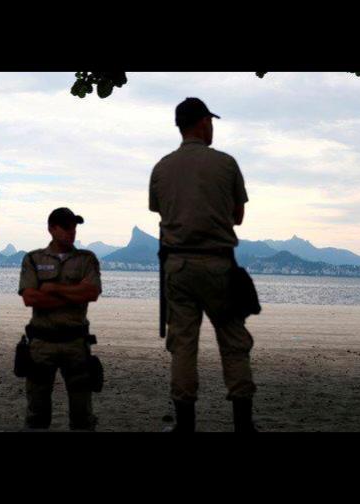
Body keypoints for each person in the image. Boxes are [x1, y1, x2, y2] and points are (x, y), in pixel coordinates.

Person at [148, 97, 257, 432]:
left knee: (182, 346)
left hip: (178, 267)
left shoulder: (162, 167)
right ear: (203, 123)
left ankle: (185, 425)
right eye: (211, 121)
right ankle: (242, 424)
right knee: (234, 343)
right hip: (219, 265)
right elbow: (237, 216)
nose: (212, 127)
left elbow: (161, 213)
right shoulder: (225, 163)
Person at [18, 208, 102, 431]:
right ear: (51, 229)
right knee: (37, 412)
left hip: (76, 343)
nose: (72, 232)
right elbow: (30, 298)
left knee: (82, 414)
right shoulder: (33, 259)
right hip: (41, 344)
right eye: (66, 227)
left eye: (74, 227)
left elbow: (91, 293)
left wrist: (53, 288)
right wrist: (74, 294)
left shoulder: (87, 259)